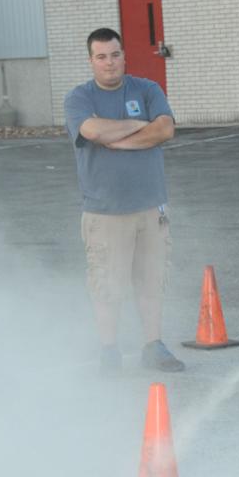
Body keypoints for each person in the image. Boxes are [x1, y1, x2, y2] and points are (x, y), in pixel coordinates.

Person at [64, 27, 184, 375]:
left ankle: (153, 346)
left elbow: (165, 129)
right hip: (105, 212)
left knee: (151, 281)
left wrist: (120, 138)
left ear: (124, 55)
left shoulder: (147, 89)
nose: (109, 63)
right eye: (101, 56)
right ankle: (109, 351)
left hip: (151, 208)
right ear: (91, 61)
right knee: (107, 285)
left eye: (115, 54)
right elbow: (91, 131)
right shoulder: (79, 98)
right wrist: (138, 125)